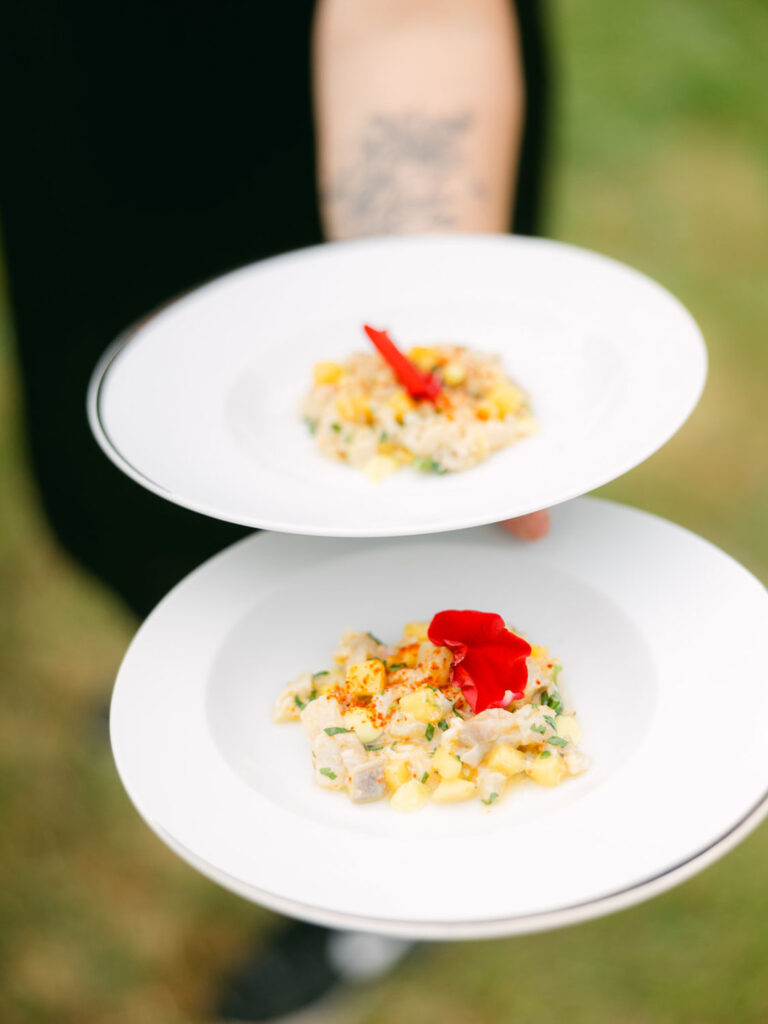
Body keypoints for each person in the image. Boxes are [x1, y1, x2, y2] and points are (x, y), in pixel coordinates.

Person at [1, 0, 550, 1018]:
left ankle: (378, 898)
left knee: (374, 563)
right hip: (72, 110)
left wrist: (416, 402)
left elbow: (412, 21)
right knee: (112, 505)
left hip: (322, 126)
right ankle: (205, 664)